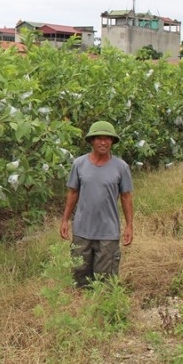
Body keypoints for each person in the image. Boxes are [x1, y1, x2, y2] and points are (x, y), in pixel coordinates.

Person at [59, 120, 134, 288]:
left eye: (107, 139)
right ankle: (83, 310)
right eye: (98, 138)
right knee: (80, 275)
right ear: (91, 141)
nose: (103, 142)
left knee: (105, 281)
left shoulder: (121, 167)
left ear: (112, 142)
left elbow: (126, 197)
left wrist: (129, 226)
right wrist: (65, 220)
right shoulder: (79, 164)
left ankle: (102, 310)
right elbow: (73, 193)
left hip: (108, 232)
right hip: (82, 231)